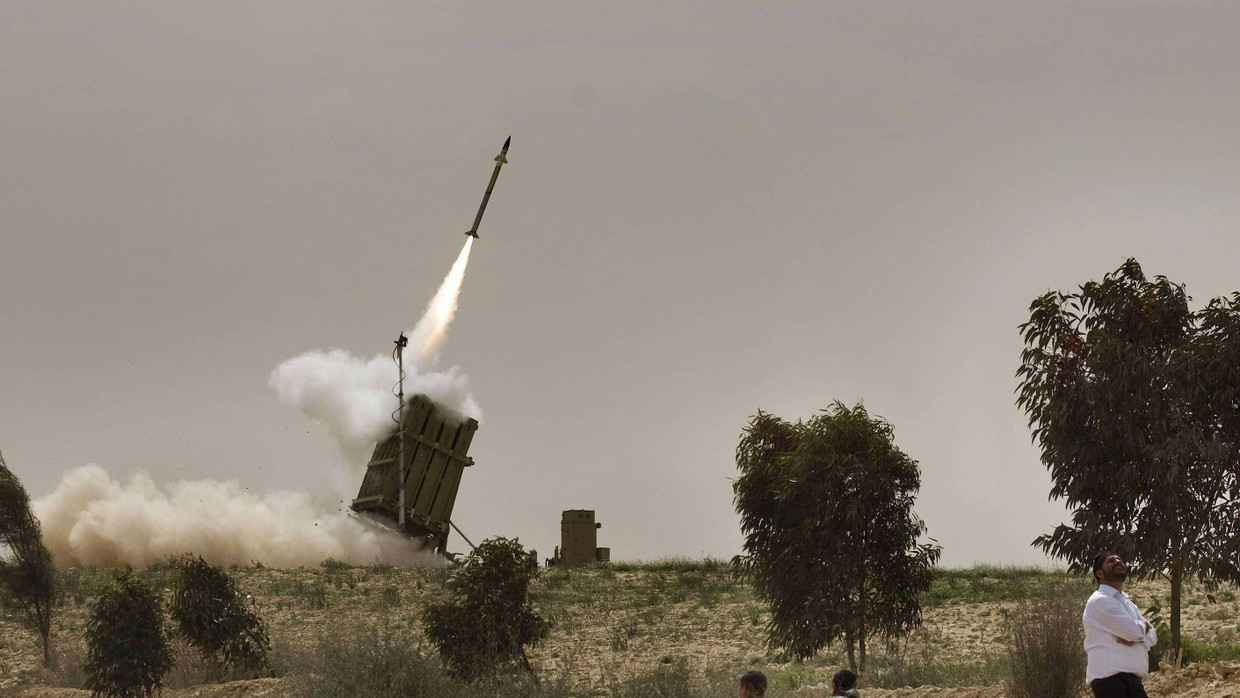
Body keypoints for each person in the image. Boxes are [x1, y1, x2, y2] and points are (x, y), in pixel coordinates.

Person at [1083, 552, 1157, 698]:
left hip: (1132, 681)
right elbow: (1134, 632)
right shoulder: (1100, 601)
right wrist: (1141, 631)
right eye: (1111, 561)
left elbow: (1153, 637)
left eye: (1120, 560)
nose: (1118, 562)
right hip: (1110, 682)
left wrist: (1139, 635)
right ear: (1099, 573)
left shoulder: (1128, 603)